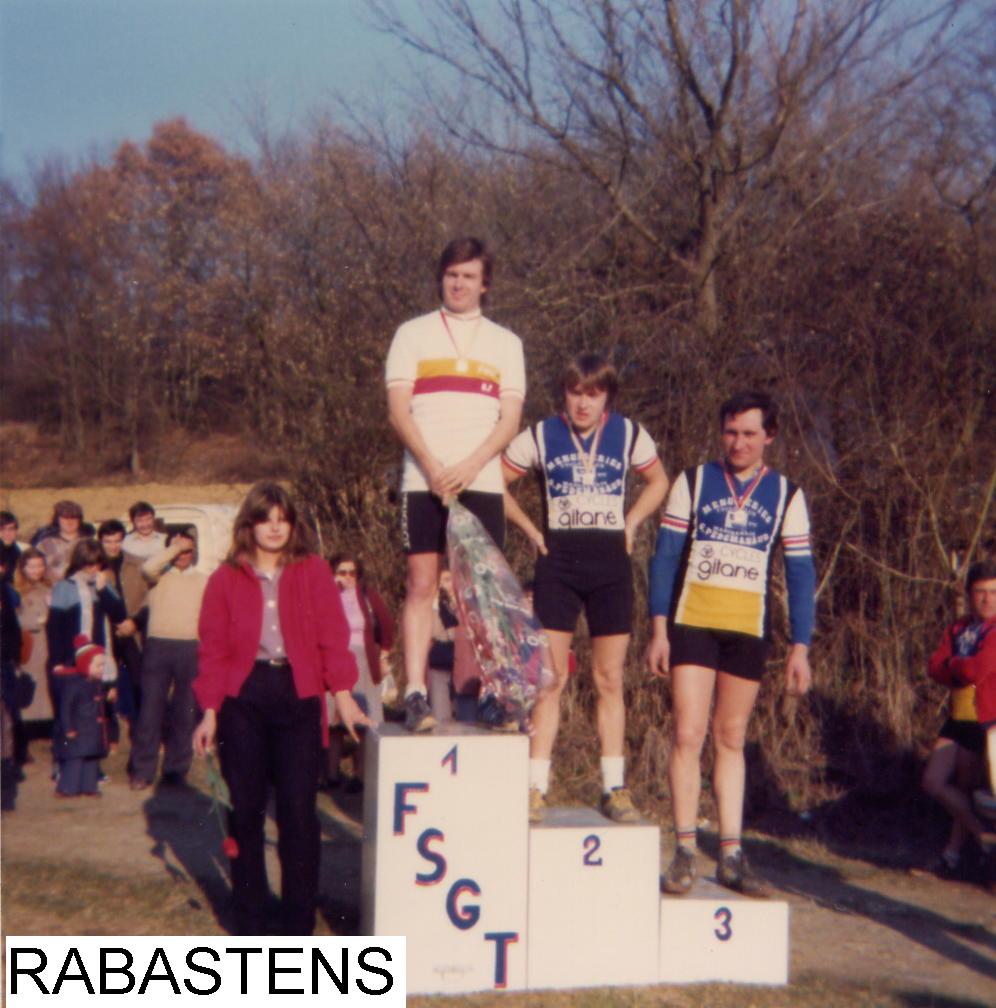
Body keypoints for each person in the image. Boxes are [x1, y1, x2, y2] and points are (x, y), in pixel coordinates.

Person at [648, 390, 816, 897]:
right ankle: (682, 851)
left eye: (749, 433)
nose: (738, 442)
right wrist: (658, 628)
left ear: (769, 436)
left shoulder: (787, 494)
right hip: (693, 624)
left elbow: (801, 574)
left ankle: (730, 853)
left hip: (748, 628)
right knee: (687, 733)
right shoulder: (694, 481)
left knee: (730, 738)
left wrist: (800, 646)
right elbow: (664, 558)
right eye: (730, 432)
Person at [191, 482, 371, 936]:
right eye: (264, 518)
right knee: (247, 808)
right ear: (248, 526)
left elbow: (332, 636)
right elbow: (212, 649)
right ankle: (249, 917)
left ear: (292, 525)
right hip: (243, 697)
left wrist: (343, 694)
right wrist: (209, 710)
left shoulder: (312, 571)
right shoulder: (225, 578)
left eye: (282, 519)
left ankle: (297, 921)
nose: (274, 527)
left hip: (298, 693)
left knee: (297, 812)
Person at [503, 352, 668, 823]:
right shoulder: (540, 434)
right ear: (564, 394)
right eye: (575, 392)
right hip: (558, 562)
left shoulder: (629, 433)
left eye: (593, 394)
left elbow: (659, 481)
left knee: (608, 679)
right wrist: (532, 532)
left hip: (610, 566)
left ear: (607, 397)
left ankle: (614, 788)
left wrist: (633, 521)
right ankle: (536, 787)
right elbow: (497, 483)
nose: (583, 403)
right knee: (550, 680)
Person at [386, 236, 525, 732]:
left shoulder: (506, 343)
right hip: (423, 480)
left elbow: (508, 421)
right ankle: (416, 692)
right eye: (451, 275)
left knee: (482, 591)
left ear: (484, 284)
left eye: (468, 276)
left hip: (481, 479)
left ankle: (493, 693)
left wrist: (469, 466)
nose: (458, 284)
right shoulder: (411, 334)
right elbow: (398, 410)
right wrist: (430, 464)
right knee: (421, 585)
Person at [924, 559, 996, 878]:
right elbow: (933, 666)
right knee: (934, 781)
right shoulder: (958, 628)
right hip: (957, 716)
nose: (987, 599)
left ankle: (952, 856)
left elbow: (976, 670)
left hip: (985, 720)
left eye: (993, 592)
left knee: (966, 789)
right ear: (969, 594)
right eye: (980, 592)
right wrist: (957, 667)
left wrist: (954, 666)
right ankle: (984, 838)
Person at [128, 529, 207, 790]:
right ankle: (142, 770)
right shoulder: (156, 575)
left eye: (187, 550)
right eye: (177, 550)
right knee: (151, 708)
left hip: (191, 648)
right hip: (158, 647)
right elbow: (149, 566)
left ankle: (176, 770)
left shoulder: (202, 580)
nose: (182, 555)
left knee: (185, 710)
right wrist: (174, 547)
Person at [323, 553, 394, 791]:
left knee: (364, 717)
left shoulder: (367, 596)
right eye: (342, 572)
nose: (347, 578)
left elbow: (387, 625)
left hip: (363, 659)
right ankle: (331, 774)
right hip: (335, 659)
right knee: (333, 720)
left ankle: (360, 775)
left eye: (352, 572)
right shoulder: (327, 595)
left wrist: (384, 654)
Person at [46, 539, 127, 738]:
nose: (93, 568)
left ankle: (95, 756)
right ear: (79, 562)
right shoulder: (65, 587)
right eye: (89, 564)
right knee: (73, 711)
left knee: (97, 710)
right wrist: (58, 660)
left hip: (99, 659)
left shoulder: (104, 585)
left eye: (98, 563)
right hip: (72, 658)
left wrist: (102, 590)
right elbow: (55, 628)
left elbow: (119, 615)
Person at [97, 520, 142, 731]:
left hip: (131, 629)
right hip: (107, 630)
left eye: (117, 541)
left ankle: (138, 725)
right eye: (108, 541)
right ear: (101, 541)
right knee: (107, 682)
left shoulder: (135, 563)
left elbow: (143, 598)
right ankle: (111, 733)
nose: (113, 546)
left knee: (137, 679)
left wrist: (134, 622)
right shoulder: (96, 565)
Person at [53, 636, 109, 798]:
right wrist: (68, 727)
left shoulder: (96, 683)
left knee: (91, 758)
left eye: (102, 665)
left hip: (92, 729)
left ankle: (89, 786)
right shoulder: (73, 685)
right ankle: (67, 787)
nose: (101, 669)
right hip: (78, 729)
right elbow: (65, 708)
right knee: (75, 760)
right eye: (98, 665)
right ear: (85, 665)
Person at [14, 548, 54, 724]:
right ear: (23, 568)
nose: (36, 570)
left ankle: (45, 722)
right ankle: (29, 723)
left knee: (45, 682)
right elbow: (13, 619)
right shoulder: (16, 591)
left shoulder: (49, 587)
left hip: (49, 641)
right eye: (32, 566)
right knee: (32, 681)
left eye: (40, 566)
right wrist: (38, 620)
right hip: (30, 643)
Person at [427, 567, 461, 724]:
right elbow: (434, 632)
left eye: (447, 580)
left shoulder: (464, 604)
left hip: (462, 667)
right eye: (439, 582)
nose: (443, 585)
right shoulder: (433, 606)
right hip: (439, 664)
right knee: (441, 717)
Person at [35, 500, 90, 582]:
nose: (69, 522)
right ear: (57, 520)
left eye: (73, 518)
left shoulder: (89, 543)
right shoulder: (45, 544)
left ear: (80, 520)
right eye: (65, 518)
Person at [0, 511, 22, 583]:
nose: (7, 533)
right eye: (2, 529)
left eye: (11, 529)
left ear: (16, 531)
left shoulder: (17, 552)